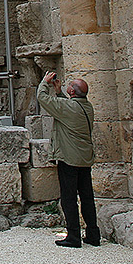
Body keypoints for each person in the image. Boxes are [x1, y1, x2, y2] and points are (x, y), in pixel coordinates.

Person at [37, 70, 99, 247]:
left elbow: (43, 98)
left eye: (69, 86)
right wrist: (59, 93)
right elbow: (69, 108)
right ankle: (93, 234)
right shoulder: (87, 107)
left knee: (69, 198)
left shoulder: (69, 108)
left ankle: (73, 236)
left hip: (69, 158)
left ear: (72, 91)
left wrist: (45, 82)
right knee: (87, 197)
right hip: (84, 158)